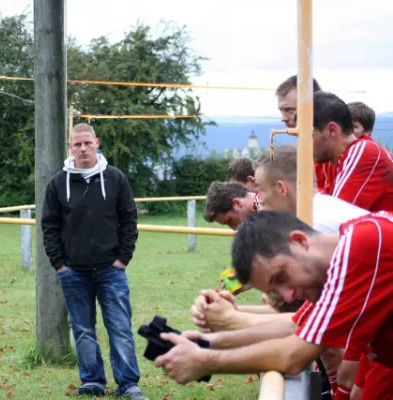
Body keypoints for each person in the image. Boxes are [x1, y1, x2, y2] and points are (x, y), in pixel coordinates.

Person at [154, 210, 393, 400]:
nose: (288, 297)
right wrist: (204, 344)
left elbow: (294, 354)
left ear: (299, 241)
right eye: (274, 290)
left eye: (280, 277)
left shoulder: (363, 245)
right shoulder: (341, 262)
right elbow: (295, 325)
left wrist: (205, 361)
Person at [41, 123, 145, 399]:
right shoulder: (57, 183)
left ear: (97, 143)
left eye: (88, 143)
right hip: (73, 271)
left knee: (120, 328)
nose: (83, 148)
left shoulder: (115, 178)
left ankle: (128, 384)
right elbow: (49, 226)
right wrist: (60, 265)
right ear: (70, 148)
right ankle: (92, 382)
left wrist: (122, 259)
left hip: (111, 270)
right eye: (78, 144)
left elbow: (129, 220)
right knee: (84, 330)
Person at [312, 91, 393, 211]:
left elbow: (334, 215)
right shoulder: (342, 159)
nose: (304, 143)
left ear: (331, 130)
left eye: (310, 134)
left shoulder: (363, 151)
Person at [275, 75, 332, 193]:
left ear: (314, 106)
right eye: (281, 111)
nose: (283, 118)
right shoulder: (309, 149)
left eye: (289, 110)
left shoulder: (332, 150)